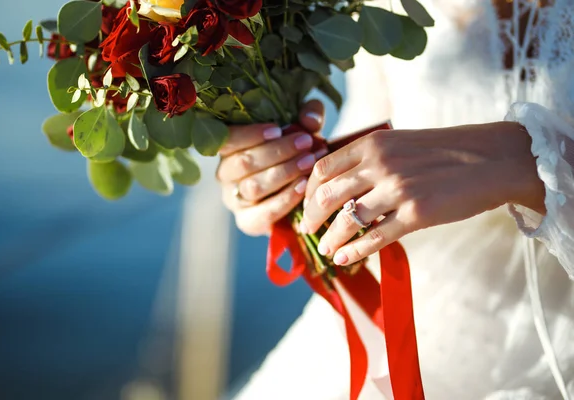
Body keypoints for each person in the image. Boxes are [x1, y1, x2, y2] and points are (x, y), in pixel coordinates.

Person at [218, 0, 574, 398]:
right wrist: (283, 182)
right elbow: (377, 127)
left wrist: (522, 161)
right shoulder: (374, 7)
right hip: (398, 330)